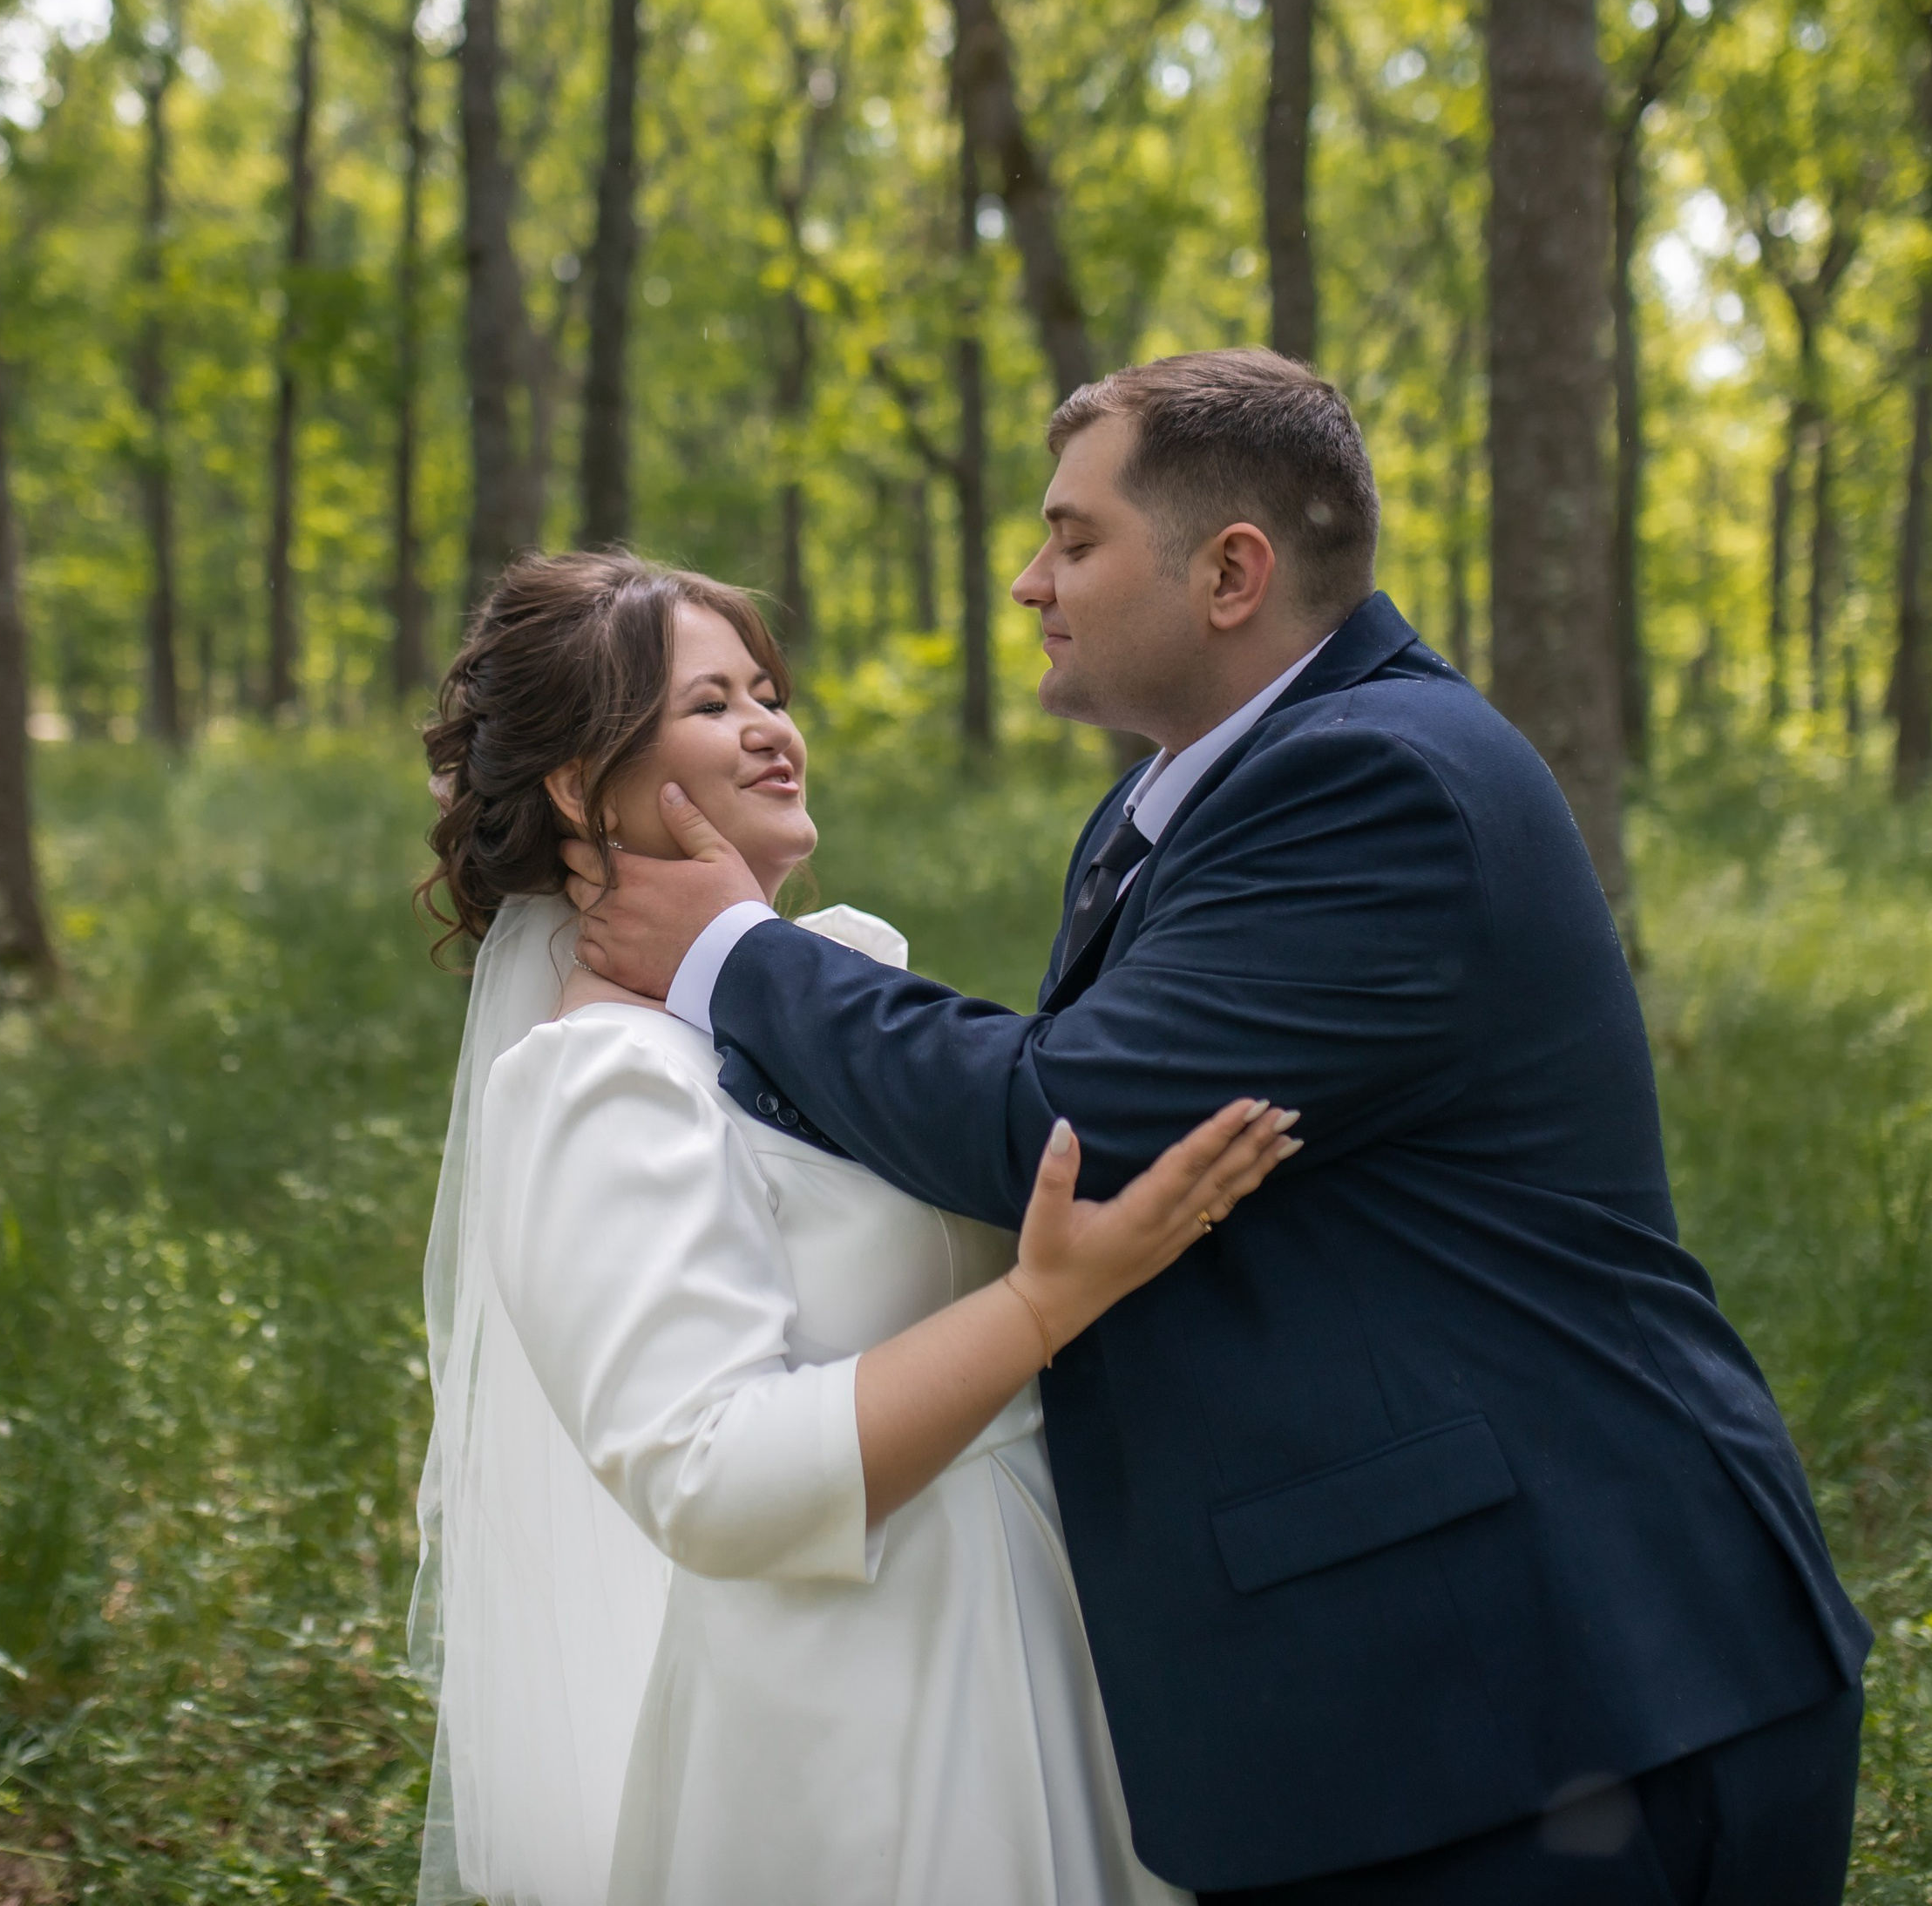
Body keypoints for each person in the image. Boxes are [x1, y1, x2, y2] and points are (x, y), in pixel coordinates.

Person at [566, 350, 1873, 1906]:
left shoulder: (1377, 782)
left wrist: (730, 953)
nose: (1025, 580)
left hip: (1556, 1691)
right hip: (1396, 1703)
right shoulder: (1178, 804)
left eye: (1073, 537)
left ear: (1232, 572)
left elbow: (1068, 1123)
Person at [406, 549, 1296, 1906]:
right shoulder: (601, 1084)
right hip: (863, 1723)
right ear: (581, 788)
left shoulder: (829, 994)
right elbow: (712, 1476)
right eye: (710, 706)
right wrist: (1046, 1306)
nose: (770, 725)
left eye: (768, 689)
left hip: (1034, 1641)